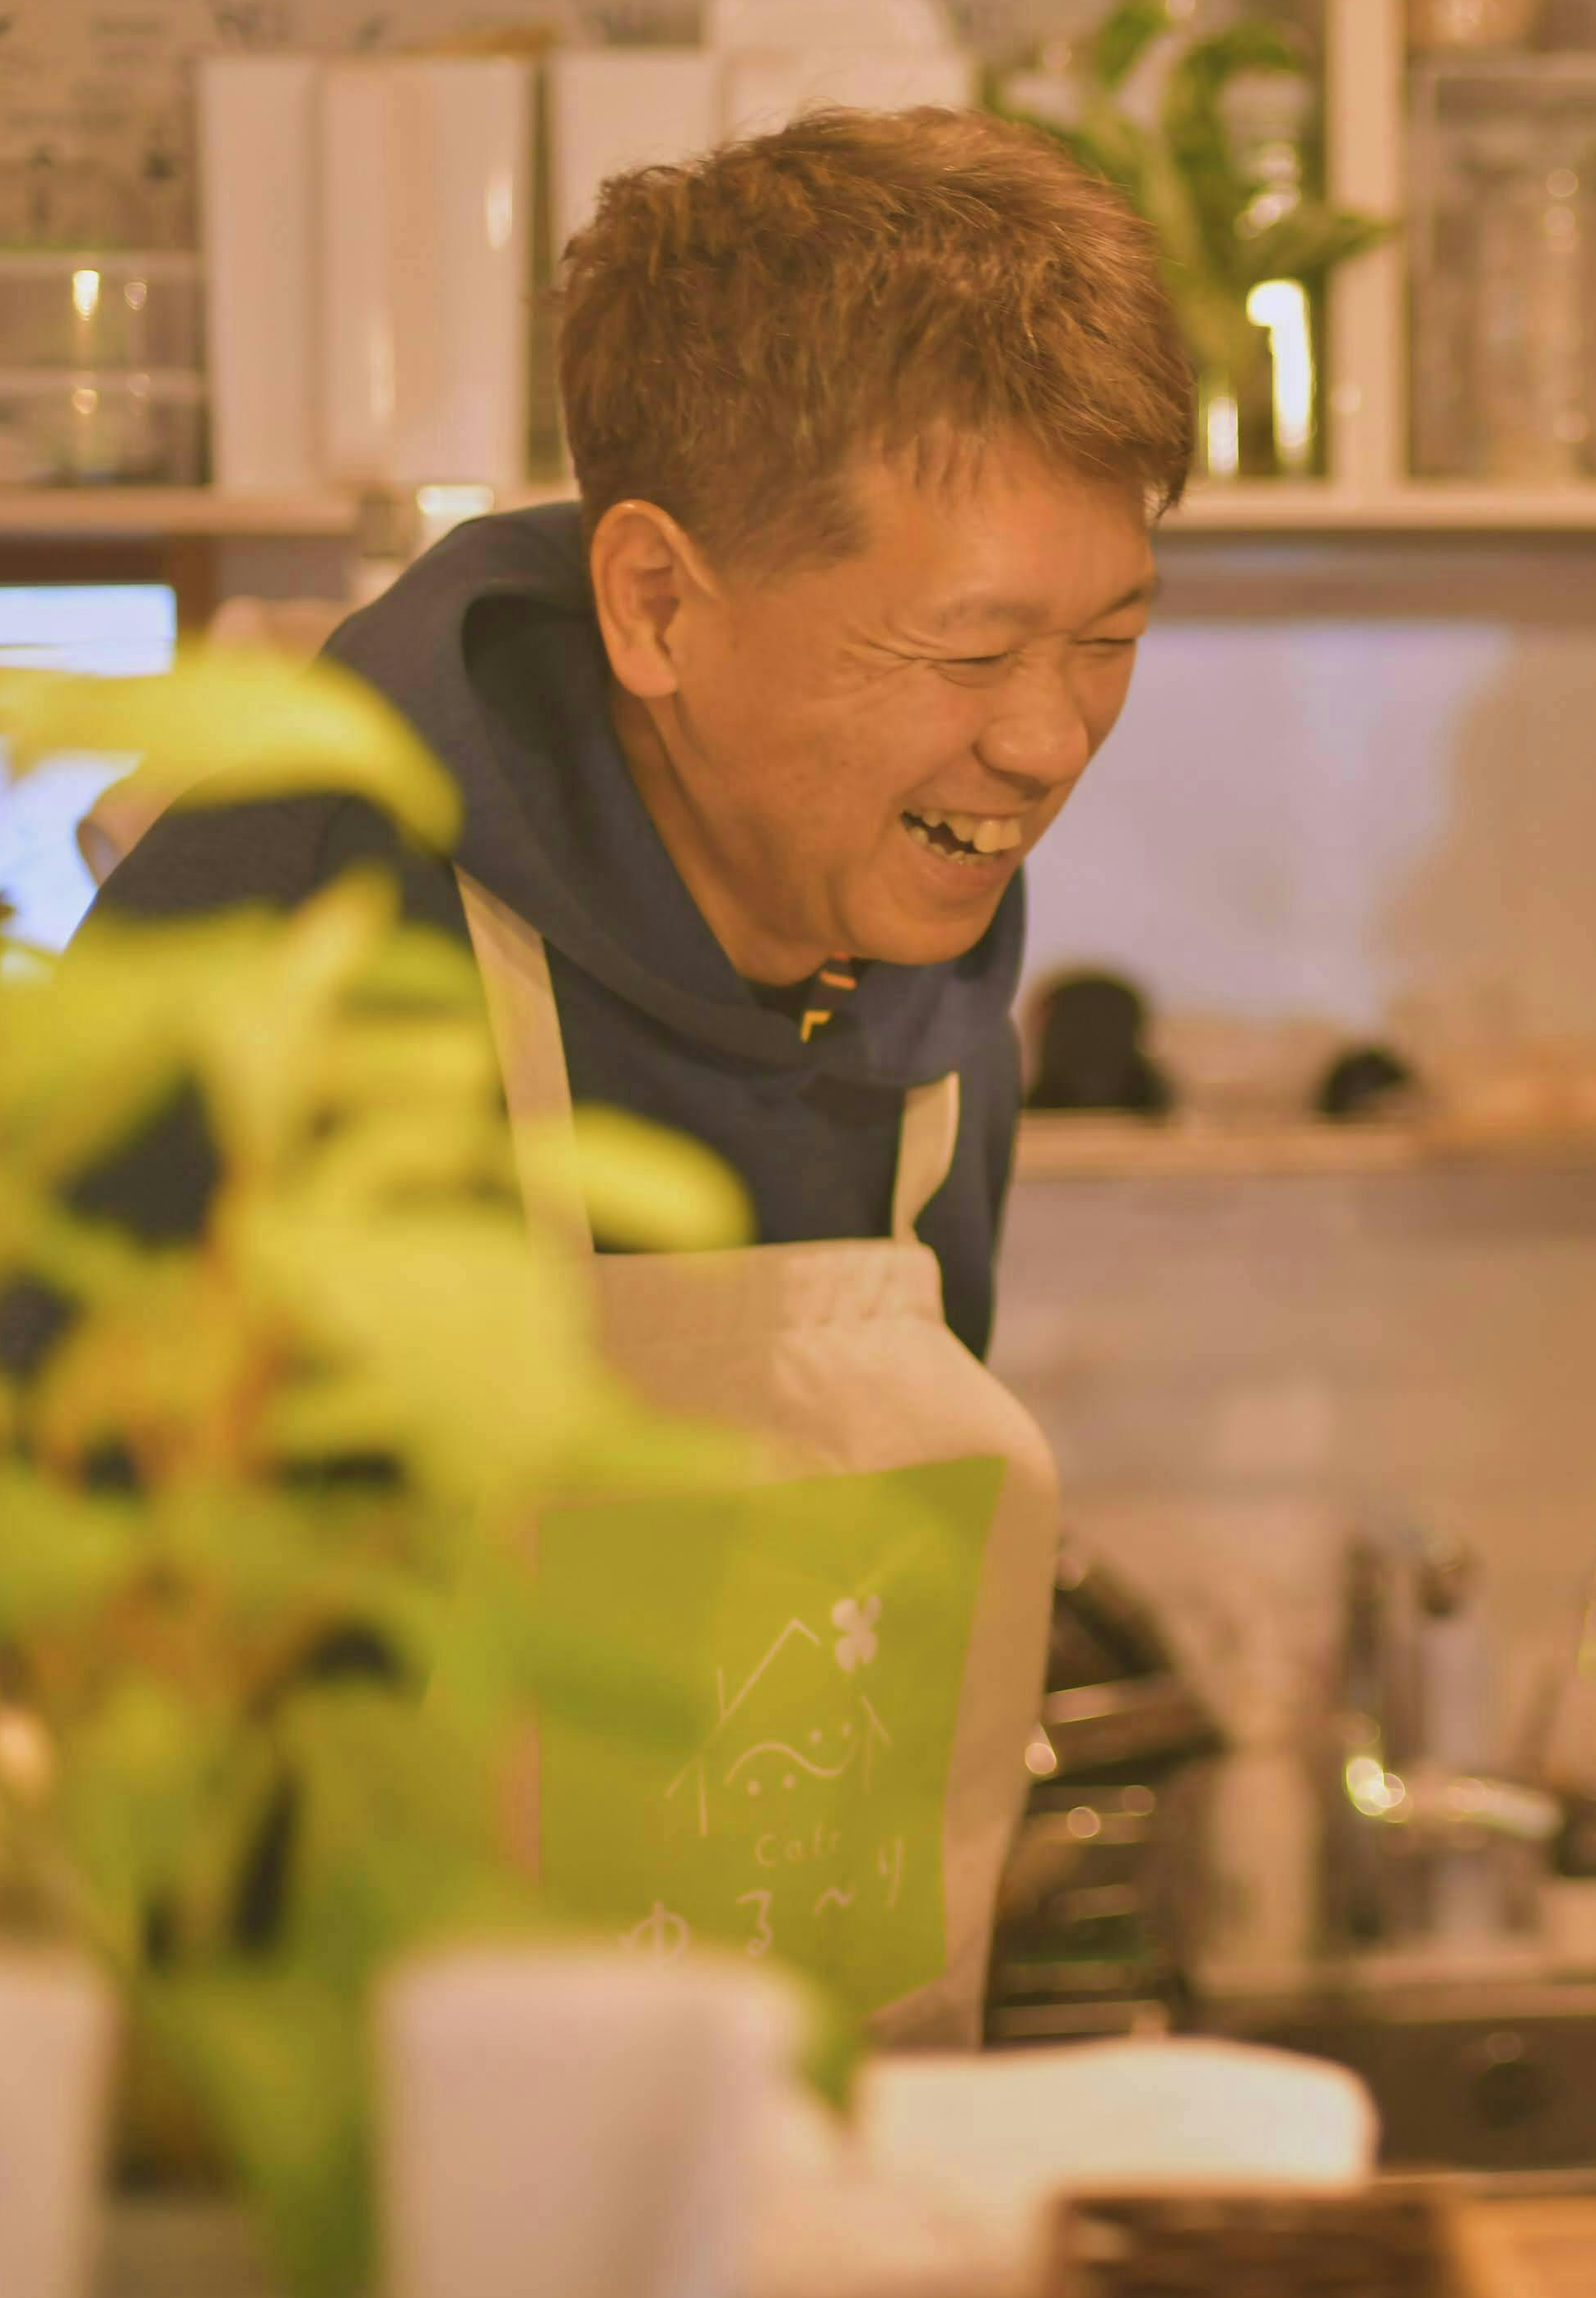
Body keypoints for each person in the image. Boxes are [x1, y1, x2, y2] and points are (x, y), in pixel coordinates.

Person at [83, 108, 1189, 2043]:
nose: (1046, 741)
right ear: (659, 603)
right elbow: (18, 1667)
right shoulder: (276, 919)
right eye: (969, 651)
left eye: (1108, 639)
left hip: (820, 2136)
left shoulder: (927, 940)